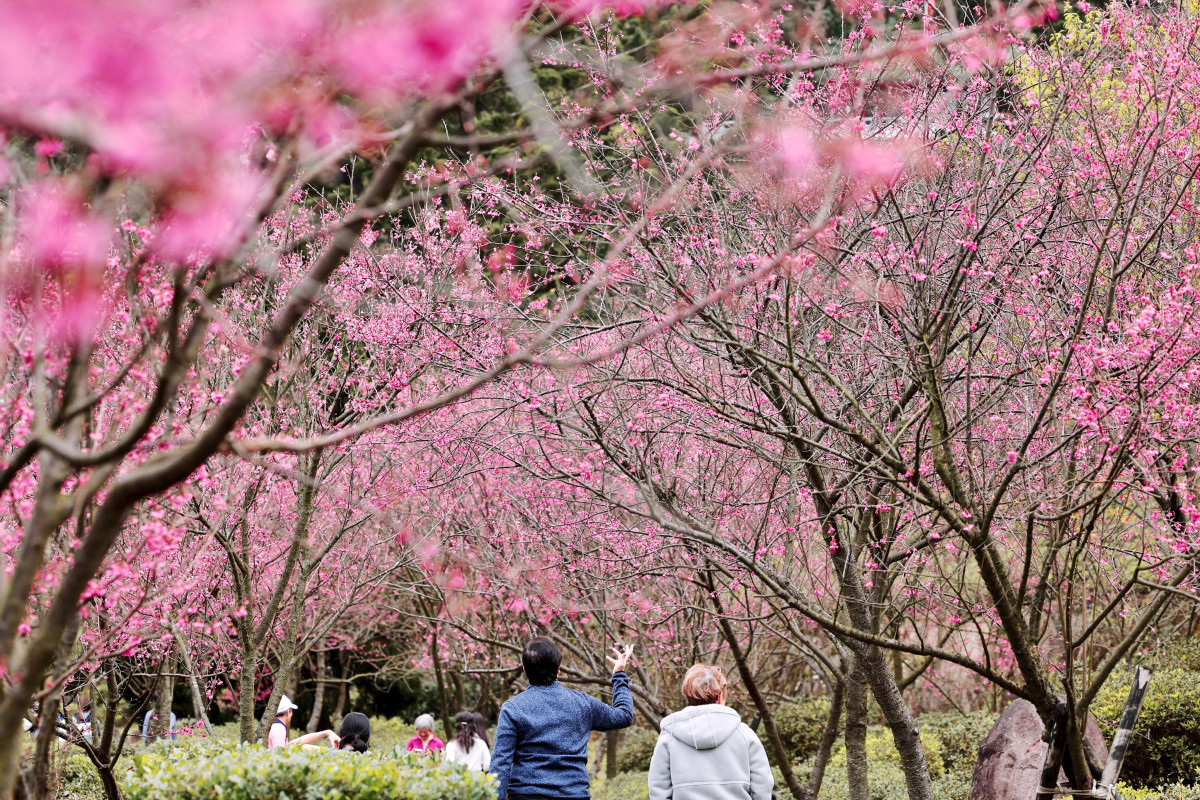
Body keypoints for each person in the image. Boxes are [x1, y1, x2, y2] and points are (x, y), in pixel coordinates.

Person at [490, 638, 634, 800]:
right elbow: (624, 715)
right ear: (558, 669)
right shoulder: (582, 703)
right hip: (573, 794)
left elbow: (501, 762)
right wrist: (619, 674)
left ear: (524, 669)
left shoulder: (512, 708)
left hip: (526, 794)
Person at [647, 664, 773, 800]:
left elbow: (658, 789)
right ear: (720, 696)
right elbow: (763, 785)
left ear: (688, 696)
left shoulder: (669, 737)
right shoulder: (745, 734)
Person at [268, 695, 341, 749]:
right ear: (288, 712)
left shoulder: (274, 726)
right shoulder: (278, 728)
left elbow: (293, 744)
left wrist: (326, 733)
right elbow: (279, 753)